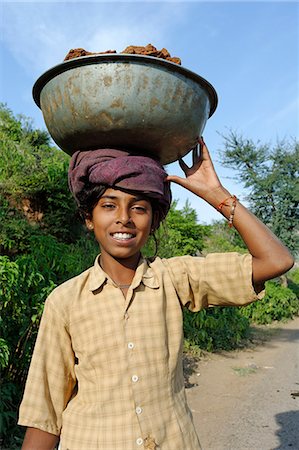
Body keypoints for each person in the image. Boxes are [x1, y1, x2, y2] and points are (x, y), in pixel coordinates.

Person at [18, 139, 294, 450]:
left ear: (153, 221)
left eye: (139, 207)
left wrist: (216, 194)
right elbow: (46, 412)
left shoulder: (174, 278)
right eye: (109, 205)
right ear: (88, 218)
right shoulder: (65, 301)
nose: (124, 217)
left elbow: (276, 261)